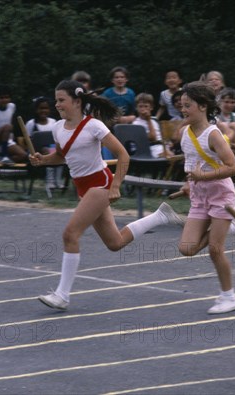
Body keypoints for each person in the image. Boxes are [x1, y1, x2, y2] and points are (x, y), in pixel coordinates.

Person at [30, 80, 185, 310]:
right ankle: (160, 217)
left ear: (77, 101)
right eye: (56, 100)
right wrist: (43, 160)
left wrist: (115, 186)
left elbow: (123, 155)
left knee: (70, 234)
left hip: (100, 184)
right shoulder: (58, 128)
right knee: (115, 242)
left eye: (62, 100)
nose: (57, 104)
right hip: (83, 187)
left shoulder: (94, 126)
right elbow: (62, 155)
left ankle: (62, 295)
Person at [175, 81, 235, 315]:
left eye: (187, 105)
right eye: (182, 105)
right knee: (186, 248)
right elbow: (191, 165)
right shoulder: (184, 133)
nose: (183, 109)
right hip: (200, 197)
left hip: (221, 196)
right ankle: (227, 228)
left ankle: (229, 296)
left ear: (202, 106)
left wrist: (203, 176)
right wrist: (189, 182)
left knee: (215, 250)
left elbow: (233, 168)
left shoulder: (214, 134)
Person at [25, 96, 62, 190]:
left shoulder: (53, 122)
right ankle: (50, 181)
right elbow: (28, 141)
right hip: (37, 152)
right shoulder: (31, 124)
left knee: (60, 153)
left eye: (46, 108)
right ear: (36, 109)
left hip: (52, 149)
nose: (43, 111)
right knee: (48, 152)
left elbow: (56, 139)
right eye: (41, 108)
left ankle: (58, 180)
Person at [133, 92, 174, 158]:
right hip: (150, 148)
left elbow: (160, 135)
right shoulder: (136, 124)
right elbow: (153, 138)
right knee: (170, 156)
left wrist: (167, 142)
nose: (143, 109)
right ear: (136, 108)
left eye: (146, 106)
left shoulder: (154, 120)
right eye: (140, 106)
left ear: (151, 108)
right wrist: (148, 120)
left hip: (162, 146)